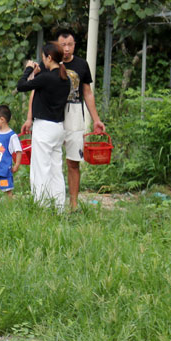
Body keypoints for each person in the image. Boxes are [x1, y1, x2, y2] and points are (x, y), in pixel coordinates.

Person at [22, 29, 105, 210]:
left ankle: (72, 203)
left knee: (72, 161)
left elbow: (87, 93)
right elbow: (35, 91)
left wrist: (96, 119)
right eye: (63, 45)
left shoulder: (82, 65)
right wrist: (29, 117)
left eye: (70, 44)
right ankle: (50, 202)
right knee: (51, 160)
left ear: (75, 45)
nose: (66, 49)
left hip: (74, 113)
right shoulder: (47, 63)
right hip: (51, 116)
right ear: (57, 47)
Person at [17, 41, 71, 207]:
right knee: (55, 169)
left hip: (44, 127)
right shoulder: (65, 78)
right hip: (58, 127)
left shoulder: (46, 78)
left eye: (43, 57)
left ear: (49, 57)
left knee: (40, 168)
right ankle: (59, 206)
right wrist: (39, 73)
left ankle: (42, 206)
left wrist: (29, 69)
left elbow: (21, 86)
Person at [0, 104, 22, 200]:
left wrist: (17, 165)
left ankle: (9, 209)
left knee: (7, 190)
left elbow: (18, 151)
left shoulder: (11, 136)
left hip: (4, 171)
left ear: (2, 119)